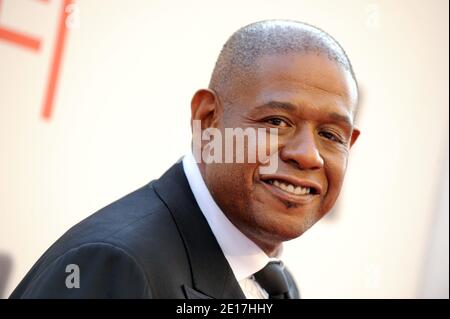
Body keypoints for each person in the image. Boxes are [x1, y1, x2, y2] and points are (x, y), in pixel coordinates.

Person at [10, 19, 360, 299]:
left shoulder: (276, 284)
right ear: (208, 121)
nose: (307, 155)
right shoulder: (118, 265)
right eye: (276, 122)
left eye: (330, 135)